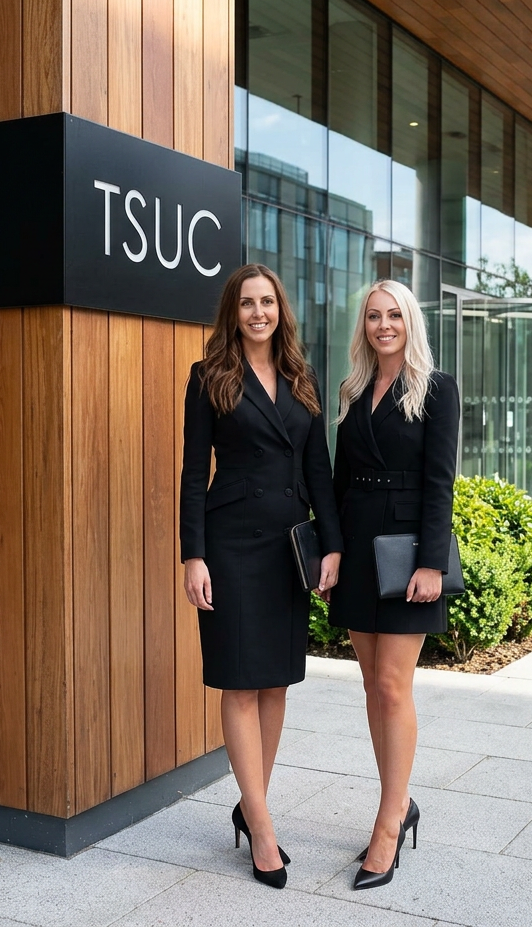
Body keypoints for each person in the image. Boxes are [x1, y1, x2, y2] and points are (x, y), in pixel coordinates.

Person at [179, 264, 343, 889]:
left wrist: (330, 547)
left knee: (274, 683)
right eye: (246, 303)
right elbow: (195, 474)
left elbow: (320, 471)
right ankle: (265, 832)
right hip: (229, 544)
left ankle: (253, 809)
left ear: (281, 310)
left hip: (286, 547)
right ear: (233, 312)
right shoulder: (209, 378)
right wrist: (193, 555)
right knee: (239, 684)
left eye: (267, 301)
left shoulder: (302, 378)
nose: (258, 312)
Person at [326, 280, 459, 890]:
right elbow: (336, 477)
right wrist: (330, 549)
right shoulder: (353, 391)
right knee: (371, 689)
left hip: (407, 554)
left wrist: (432, 562)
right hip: (357, 549)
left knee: (392, 684)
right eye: (374, 316)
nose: (384, 325)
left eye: (394, 315)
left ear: (411, 322)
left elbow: (440, 483)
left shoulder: (436, 390)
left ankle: (388, 823)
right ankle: (398, 804)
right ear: (365, 326)